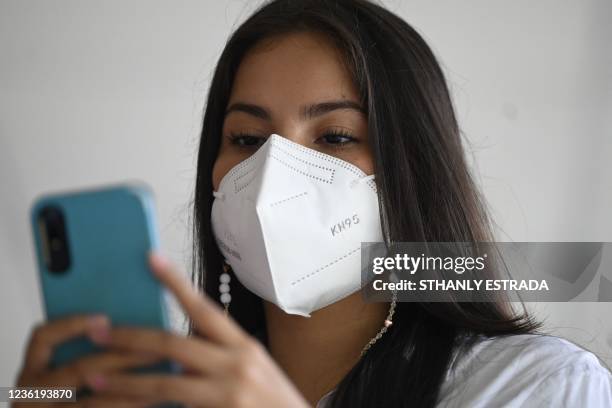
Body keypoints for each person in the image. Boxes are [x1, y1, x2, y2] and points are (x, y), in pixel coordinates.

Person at [15, 0, 612, 407]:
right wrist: (32, 399)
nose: (275, 174)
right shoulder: (165, 392)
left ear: (412, 170)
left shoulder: (536, 385)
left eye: (335, 137)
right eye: (246, 140)